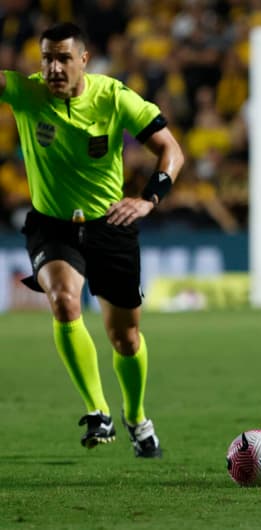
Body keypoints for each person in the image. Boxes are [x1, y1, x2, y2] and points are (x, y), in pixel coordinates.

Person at [0, 22, 184, 457]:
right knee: (64, 299)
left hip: (111, 225)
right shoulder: (25, 94)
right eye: (46, 58)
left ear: (84, 59)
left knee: (126, 339)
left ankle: (137, 418)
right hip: (53, 225)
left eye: (64, 57)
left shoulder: (113, 97)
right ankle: (98, 410)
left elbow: (171, 150)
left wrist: (149, 200)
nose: (54, 67)